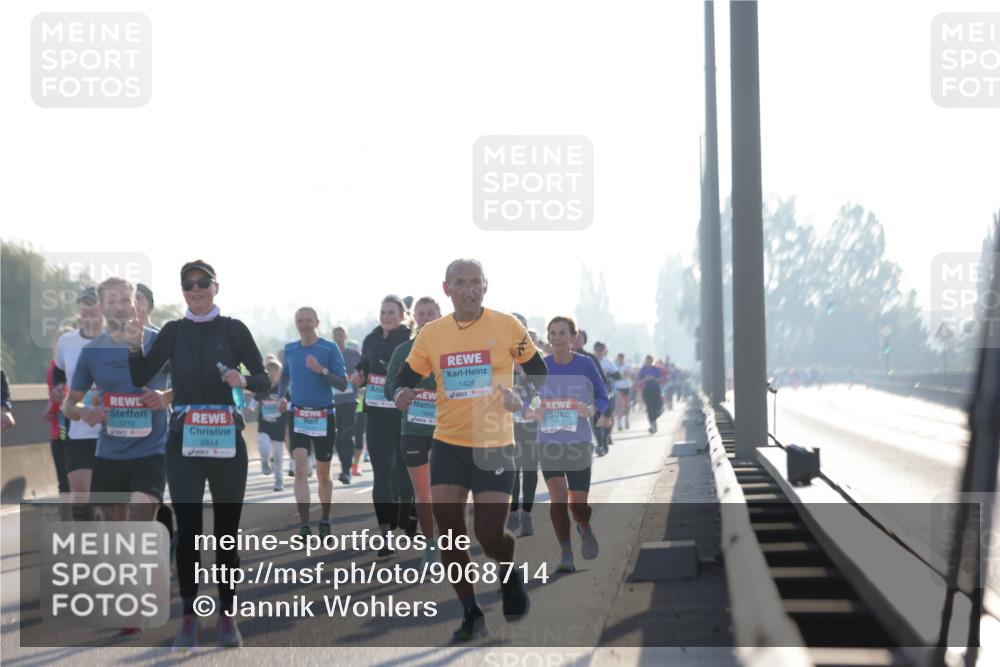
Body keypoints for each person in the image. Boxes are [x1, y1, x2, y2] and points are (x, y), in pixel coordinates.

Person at [393, 258, 547, 641]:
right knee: (450, 533)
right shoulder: (432, 334)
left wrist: (522, 396)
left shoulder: (508, 325)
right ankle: (470, 612)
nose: (468, 289)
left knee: (488, 533)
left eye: (475, 282)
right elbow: (405, 377)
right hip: (448, 444)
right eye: (460, 283)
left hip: (495, 443)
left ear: (485, 286)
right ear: (446, 289)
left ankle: (508, 572)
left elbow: (539, 371)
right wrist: (400, 393)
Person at [127, 260, 269, 650]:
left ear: (215, 287)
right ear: (183, 291)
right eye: (188, 285)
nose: (195, 289)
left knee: (226, 534)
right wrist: (135, 341)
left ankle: (227, 616)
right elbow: (141, 376)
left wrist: (244, 380)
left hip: (226, 440)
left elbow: (264, 380)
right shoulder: (173, 332)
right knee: (188, 533)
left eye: (202, 282)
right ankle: (188, 618)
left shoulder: (234, 329)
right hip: (184, 440)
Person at [528, 316, 609, 573]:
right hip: (549, 442)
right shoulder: (540, 366)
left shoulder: (585, 365)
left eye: (563, 333)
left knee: (578, 505)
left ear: (573, 337)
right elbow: (525, 399)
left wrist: (592, 409)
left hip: (579, 442)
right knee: (558, 499)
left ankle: (584, 526)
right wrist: (532, 411)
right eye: (553, 333)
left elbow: (603, 396)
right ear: (548, 337)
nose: (557, 337)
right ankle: (566, 553)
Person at [278, 307, 348, 538]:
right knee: (299, 470)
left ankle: (325, 519)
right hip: (298, 415)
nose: (305, 324)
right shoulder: (290, 349)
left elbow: (341, 384)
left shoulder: (329, 348)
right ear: (296, 324)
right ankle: (305, 525)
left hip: (323, 416)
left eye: (309, 320)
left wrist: (321, 370)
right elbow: (286, 374)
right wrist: (281, 396)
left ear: (317, 322)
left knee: (322, 475)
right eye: (300, 321)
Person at [354, 296, 415, 554]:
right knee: (382, 474)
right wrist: (359, 376)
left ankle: (408, 515)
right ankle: (386, 534)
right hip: (377, 414)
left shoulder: (410, 340)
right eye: (383, 312)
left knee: (403, 476)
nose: (386, 316)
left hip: (403, 415)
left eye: (391, 312)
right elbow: (363, 367)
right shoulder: (370, 338)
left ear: (402, 315)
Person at [384, 297, 442, 565]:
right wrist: (401, 391)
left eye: (432, 313)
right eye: (422, 314)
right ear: (414, 318)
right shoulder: (403, 350)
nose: (427, 317)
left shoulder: (451, 349)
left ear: (441, 315)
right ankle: (431, 545)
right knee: (424, 493)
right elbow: (388, 387)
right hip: (415, 429)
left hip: (449, 429)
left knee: (444, 491)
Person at [54, 287, 104, 518]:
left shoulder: (115, 339)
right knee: (80, 491)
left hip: (111, 428)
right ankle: (87, 547)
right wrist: (57, 386)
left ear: (103, 309)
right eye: (84, 306)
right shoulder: (67, 340)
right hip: (79, 426)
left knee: (107, 496)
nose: (88, 312)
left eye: (93, 306)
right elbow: (59, 370)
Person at [507, 313, 540, 537]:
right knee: (511, 469)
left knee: (529, 469)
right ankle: (513, 511)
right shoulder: (499, 359)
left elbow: (545, 391)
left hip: (531, 424)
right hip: (505, 424)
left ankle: (526, 513)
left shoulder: (537, 359)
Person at [249, 359, 287, 491]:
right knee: (263, 446)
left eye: (275, 370)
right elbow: (253, 402)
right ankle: (264, 461)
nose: (272, 373)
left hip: (279, 425)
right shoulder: (263, 387)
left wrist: (285, 406)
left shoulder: (283, 388)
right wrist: (251, 407)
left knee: (278, 455)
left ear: (280, 372)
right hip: (265, 425)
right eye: (270, 370)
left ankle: (279, 480)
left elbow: (291, 404)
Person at [332, 326, 361, 484]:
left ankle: (346, 471)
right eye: (335, 335)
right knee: (338, 438)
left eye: (340, 335)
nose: (338, 337)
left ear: (346, 337)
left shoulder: (354, 355)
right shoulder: (328, 355)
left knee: (346, 434)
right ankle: (345, 466)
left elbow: (365, 371)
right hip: (333, 401)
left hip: (350, 401)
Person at [637, 355, 663, 433]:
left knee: (658, 407)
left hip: (655, 389)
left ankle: (654, 421)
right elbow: (638, 381)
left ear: (652, 360)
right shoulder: (643, 370)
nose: (649, 361)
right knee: (649, 408)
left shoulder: (656, 369)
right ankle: (652, 424)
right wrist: (645, 379)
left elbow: (660, 379)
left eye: (650, 360)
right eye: (648, 360)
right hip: (647, 390)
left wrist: (653, 378)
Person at [612, 353, 633, 430]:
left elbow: (630, 374)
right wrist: (620, 376)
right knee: (619, 405)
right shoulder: (614, 366)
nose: (620, 359)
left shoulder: (627, 366)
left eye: (622, 358)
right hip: (618, 387)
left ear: (623, 358)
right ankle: (619, 423)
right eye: (619, 358)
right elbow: (613, 376)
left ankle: (626, 418)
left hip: (626, 386)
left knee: (626, 405)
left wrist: (624, 375)